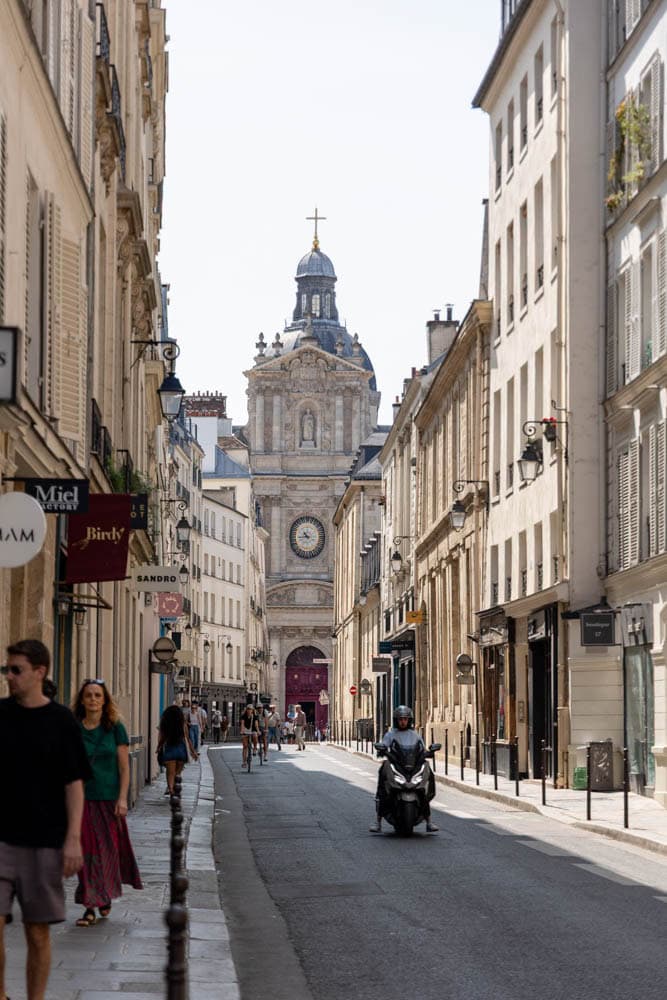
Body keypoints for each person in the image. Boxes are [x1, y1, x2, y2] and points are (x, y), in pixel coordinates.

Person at [0, 639, 91, 1000]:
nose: (9, 676)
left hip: (43, 840)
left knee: (37, 932)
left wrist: (73, 838)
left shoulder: (61, 721)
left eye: (16, 670)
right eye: (6, 669)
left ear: (40, 672)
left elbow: (74, 785)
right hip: (1, 838)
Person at [71, 680, 143, 927]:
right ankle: (90, 905)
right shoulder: (74, 729)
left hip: (108, 798)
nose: (93, 699)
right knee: (85, 851)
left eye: (97, 695)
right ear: (82, 700)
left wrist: (123, 797)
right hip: (80, 798)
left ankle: (101, 896)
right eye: (88, 695)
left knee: (106, 850)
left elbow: (124, 767)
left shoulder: (115, 729)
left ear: (104, 700)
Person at [369, 705, 438, 834]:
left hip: (411, 766)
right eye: (400, 719)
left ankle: (429, 821)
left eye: (405, 719)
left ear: (409, 720)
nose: (403, 721)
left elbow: (422, 750)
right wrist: (382, 749)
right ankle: (378, 821)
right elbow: (384, 745)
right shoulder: (391, 734)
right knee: (383, 778)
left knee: (424, 786)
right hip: (397, 764)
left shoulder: (415, 735)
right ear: (396, 720)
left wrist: (428, 753)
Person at [158, 705, 199, 795]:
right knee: (177, 774)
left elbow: (162, 738)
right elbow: (188, 739)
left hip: (169, 751)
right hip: (181, 751)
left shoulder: (165, 723)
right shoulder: (182, 724)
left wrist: (159, 747)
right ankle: (175, 789)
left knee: (170, 773)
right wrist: (193, 752)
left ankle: (171, 790)